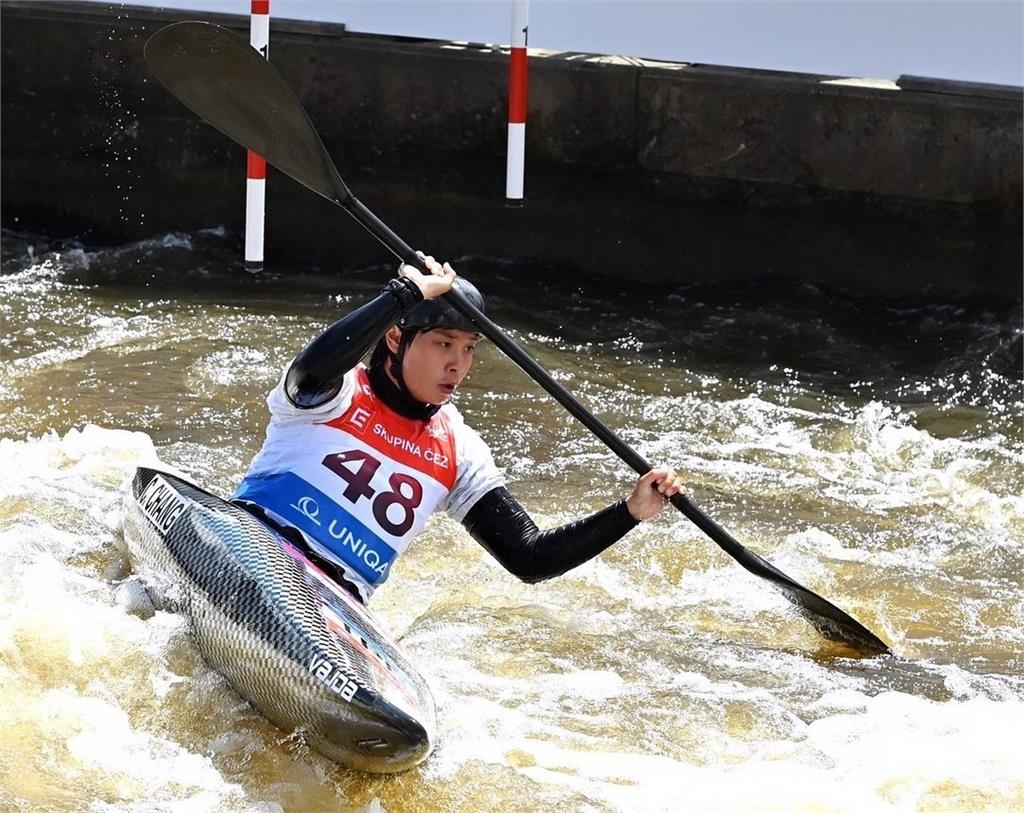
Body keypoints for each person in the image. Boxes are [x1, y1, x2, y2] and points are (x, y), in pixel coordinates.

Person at [233, 254, 684, 604]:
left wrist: (628, 512)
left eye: (469, 348)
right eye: (443, 344)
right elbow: (308, 369)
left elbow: (528, 557)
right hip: (250, 543)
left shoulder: (459, 450)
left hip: (334, 599)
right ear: (395, 338)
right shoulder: (334, 392)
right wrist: (406, 293)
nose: (458, 365)